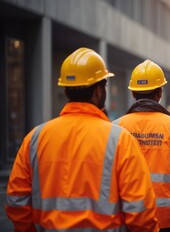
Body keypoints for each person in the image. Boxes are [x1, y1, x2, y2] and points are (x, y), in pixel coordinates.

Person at [5, 48, 159, 231]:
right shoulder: (119, 140)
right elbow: (140, 210)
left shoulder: (34, 138)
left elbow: (16, 201)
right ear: (98, 91)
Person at [113, 59, 170, 232]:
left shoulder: (115, 128)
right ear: (160, 93)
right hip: (167, 219)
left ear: (133, 93)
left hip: (128, 217)